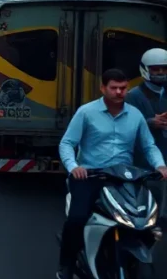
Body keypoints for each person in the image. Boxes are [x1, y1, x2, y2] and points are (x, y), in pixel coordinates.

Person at [57, 68, 167, 279]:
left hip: (125, 176)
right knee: (77, 219)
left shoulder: (135, 115)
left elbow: (149, 146)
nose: (119, 92)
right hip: (90, 176)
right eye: (114, 88)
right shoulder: (86, 112)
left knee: (145, 220)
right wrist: (74, 167)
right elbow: (67, 144)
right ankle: (67, 265)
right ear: (103, 88)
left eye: (123, 88)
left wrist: (160, 166)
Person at [125, 49, 167, 213]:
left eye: (164, 68)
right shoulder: (133, 96)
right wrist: (150, 123)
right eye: (156, 69)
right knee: (150, 202)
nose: (161, 72)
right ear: (146, 69)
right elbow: (125, 127)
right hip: (143, 160)